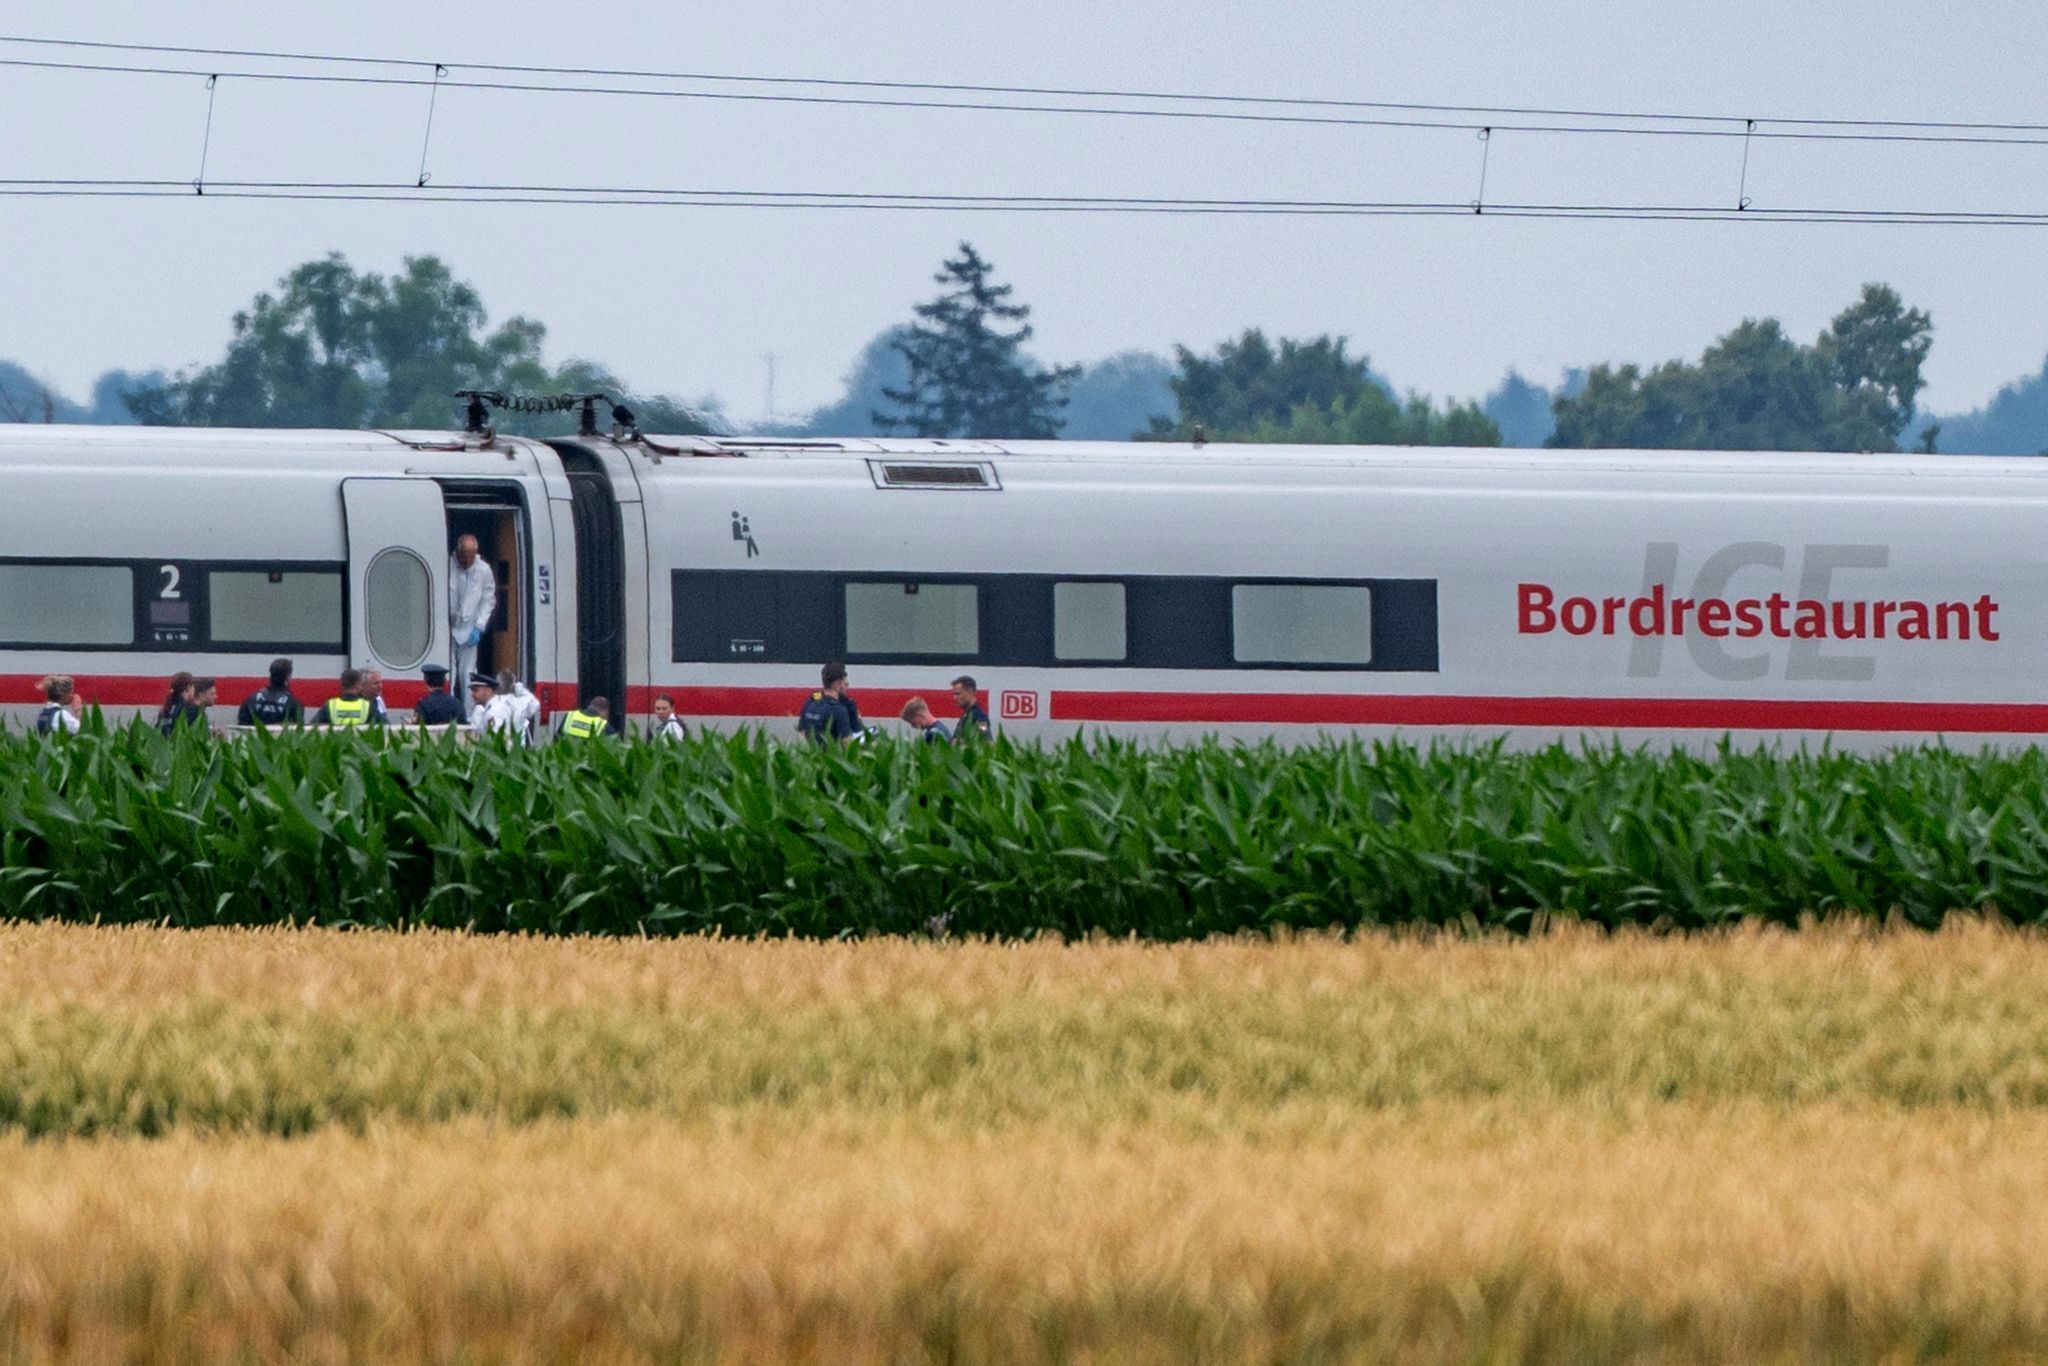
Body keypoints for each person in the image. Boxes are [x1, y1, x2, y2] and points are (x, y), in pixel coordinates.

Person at [448, 533, 497, 695]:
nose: (467, 561)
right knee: (449, 671)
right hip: (448, 625)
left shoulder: (483, 569)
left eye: (470, 557)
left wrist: (479, 626)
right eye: (464, 557)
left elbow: (488, 600)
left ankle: (468, 714)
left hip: (470, 627)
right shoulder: (449, 564)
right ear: (458, 552)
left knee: (467, 673)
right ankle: (449, 708)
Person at [796, 662, 864, 744]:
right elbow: (847, 742)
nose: (847, 687)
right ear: (837, 684)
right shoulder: (839, 710)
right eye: (845, 684)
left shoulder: (809, 703)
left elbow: (802, 734)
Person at [237, 657, 303, 729]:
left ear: (271, 676)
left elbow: (241, 729)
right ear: (287, 677)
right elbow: (297, 732)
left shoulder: (250, 700)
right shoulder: (294, 703)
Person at [467, 673, 520, 738]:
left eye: (476, 690)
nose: (472, 694)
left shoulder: (494, 711)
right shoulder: (492, 707)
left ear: (488, 691)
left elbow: (495, 740)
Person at [414, 663, 466, 727]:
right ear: (444, 681)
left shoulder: (423, 704)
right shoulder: (457, 703)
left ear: (426, 681)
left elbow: (419, 727)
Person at [498, 671, 542, 743]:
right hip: (517, 747)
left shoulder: (493, 702)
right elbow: (536, 704)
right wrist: (521, 689)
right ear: (513, 685)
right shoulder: (522, 703)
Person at [951, 675, 993, 742]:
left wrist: (959, 742)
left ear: (970, 692)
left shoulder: (980, 717)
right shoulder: (967, 714)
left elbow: (985, 739)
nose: (954, 698)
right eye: (954, 694)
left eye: (958, 694)